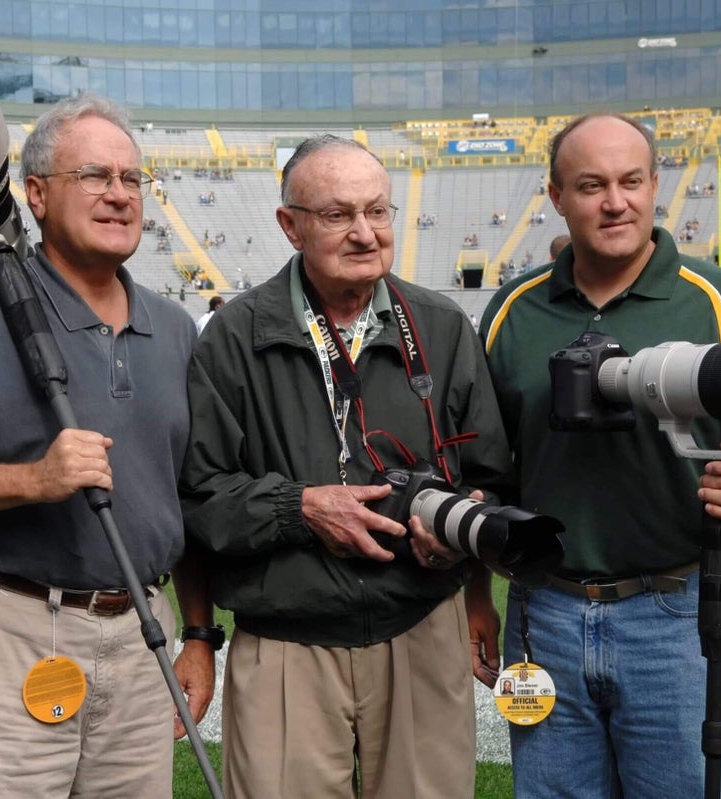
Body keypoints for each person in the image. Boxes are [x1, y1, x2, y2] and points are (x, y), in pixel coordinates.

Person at [0, 94, 215, 799]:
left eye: (131, 179)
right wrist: (32, 479)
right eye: (94, 176)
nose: (119, 195)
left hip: (141, 634)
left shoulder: (176, 327)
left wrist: (202, 635)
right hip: (10, 630)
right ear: (35, 194)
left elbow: (190, 497)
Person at [480, 113, 721, 799]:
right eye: (591, 184)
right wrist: (474, 600)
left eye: (631, 181)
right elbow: (482, 478)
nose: (616, 201)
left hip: (672, 615)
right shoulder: (511, 311)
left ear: (655, 184)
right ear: (554, 195)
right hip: (541, 613)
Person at [179, 134, 512, 799]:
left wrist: (457, 541)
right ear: (289, 225)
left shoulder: (443, 326)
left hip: (421, 627)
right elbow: (198, 499)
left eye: (378, 211)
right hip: (286, 643)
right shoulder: (234, 336)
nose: (365, 233)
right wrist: (298, 508)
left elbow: (491, 476)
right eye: (337, 214)